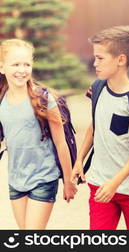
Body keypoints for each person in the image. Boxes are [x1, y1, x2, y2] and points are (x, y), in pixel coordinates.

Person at [71, 26, 129, 230]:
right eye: (95, 57)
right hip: (100, 185)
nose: (94, 63)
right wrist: (79, 160)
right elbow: (95, 126)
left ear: (121, 60)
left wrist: (115, 183)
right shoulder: (98, 87)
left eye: (100, 58)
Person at [0, 39, 77, 229]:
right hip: (16, 179)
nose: (22, 69)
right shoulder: (1, 100)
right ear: (2, 68)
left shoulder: (44, 99)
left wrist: (68, 181)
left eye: (27, 64)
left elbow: (61, 143)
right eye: (15, 64)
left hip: (44, 177)